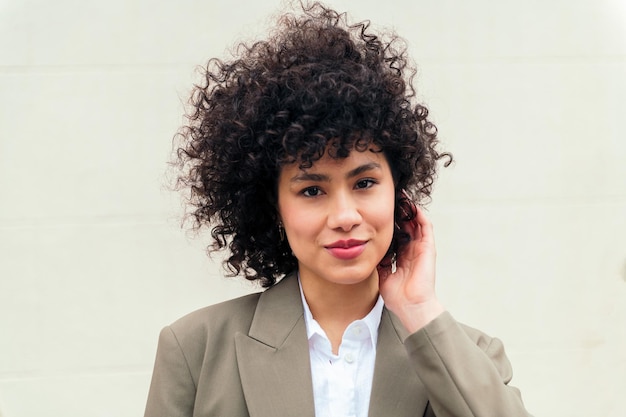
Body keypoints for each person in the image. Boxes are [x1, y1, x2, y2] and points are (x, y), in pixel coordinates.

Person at [144, 2, 532, 416]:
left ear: (399, 192)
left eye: (364, 183)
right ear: (272, 205)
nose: (345, 216)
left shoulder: (467, 354)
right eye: (312, 191)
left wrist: (419, 310)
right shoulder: (196, 350)